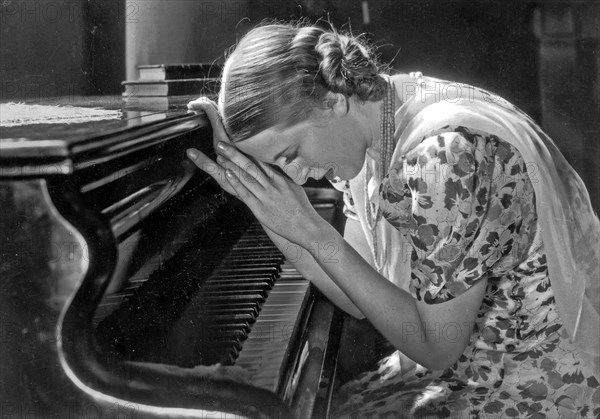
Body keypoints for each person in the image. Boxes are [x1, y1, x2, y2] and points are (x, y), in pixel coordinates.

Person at [186, 22, 600, 418]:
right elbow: (356, 291)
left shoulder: (442, 157)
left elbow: (438, 348)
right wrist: (260, 200)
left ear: (332, 101)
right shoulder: (382, 118)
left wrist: (309, 228)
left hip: (537, 384)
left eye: (290, 153)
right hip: (485, 362)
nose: (295, 175)